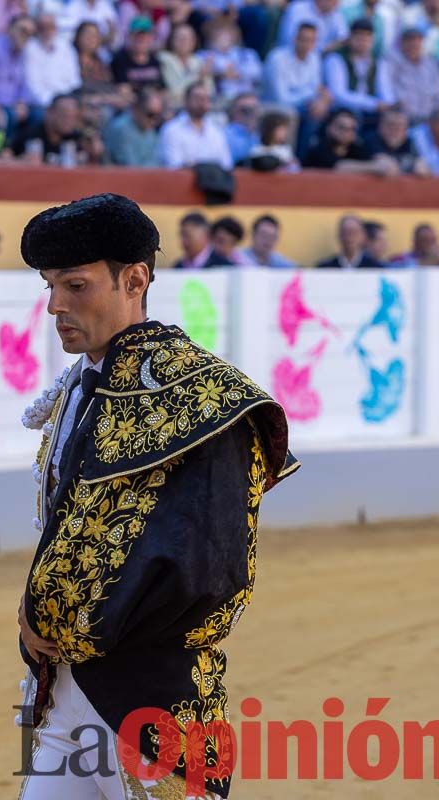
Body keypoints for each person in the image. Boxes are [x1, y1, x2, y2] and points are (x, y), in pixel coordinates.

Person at [15, 192, 297, 799]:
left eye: (76, 285)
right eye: (50, 287)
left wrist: (63, 620)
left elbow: (208, 570)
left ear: (135, 280)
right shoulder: (74, 390)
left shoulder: (208, 401)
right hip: (63, 693)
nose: (55, 305)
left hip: (156, 701)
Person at [324, 17, 394, 118]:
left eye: (367, 38)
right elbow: (338, 94)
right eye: (359, 37)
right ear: (350, 38)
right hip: (343, 110)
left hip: (372, 112)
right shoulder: (336, 58)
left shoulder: (378, 61)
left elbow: (385, 90)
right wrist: (373, 104)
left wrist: (388, 105)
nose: (363, 42)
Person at [158, 80, 234, 169]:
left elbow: (226, 165)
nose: (202, 102)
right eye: (197, 98)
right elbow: (173, 166)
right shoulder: (171, 129)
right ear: (186, 100)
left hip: (214, 182)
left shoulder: (216, 131)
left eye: (206, 98)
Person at [389, 26, 439, 124]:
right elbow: (388, 94)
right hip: (403, 120)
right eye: (409, 42)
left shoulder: (432, 64)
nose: (413, 45)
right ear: (402, 44)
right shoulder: (393, 63)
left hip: (430, 120)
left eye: (416, 41)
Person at [22, 12, 81, 106]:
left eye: (50, 27)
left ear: (56, 28)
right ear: (36, 30)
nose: (47, 31)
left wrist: (67, 100)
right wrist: (53, 103)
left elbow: (74, 80)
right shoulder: (29, 49)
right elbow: (33, 86)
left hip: (68, 98)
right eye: (42, 28)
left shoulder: (66, 47)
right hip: (43, 102)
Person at [198, 18, 262, 101]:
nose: (221, 37)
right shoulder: (202, 55)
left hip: (244, 98)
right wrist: (219, 75)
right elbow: (198, 73)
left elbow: (257, 74)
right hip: (216, 101)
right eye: (217, 33)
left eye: (226, 33)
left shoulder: (247, 54)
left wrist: (238, 73)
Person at [12, 92, 84, 165]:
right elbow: (6, 159)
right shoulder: (30, 135)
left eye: (73, 117)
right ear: (49, 112)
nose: (68, 121)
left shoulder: (76, 138)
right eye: (64, 115)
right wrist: (21, 162)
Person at [0, 15, 35, 109]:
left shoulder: (24, 52)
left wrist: (22, 102)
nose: (26, 36)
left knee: (38, 113)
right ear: (9, 28)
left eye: (30, 34)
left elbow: (25, 84)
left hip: (15, 105)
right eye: (23, 30)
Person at [102, 86, 163, 167]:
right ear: (136, 109)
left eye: (158, 116)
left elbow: (156, 163)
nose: (154, 120)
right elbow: (131, 167)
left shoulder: (150, 132)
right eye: (150, 115)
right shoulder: (121, 129)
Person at [159, 22, 212, 108]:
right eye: (180, 38)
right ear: (172, 40)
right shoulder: (164, 59)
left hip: (198, 108)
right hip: (173, 108)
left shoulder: (198, 61)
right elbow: (174, 91)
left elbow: (209, 91)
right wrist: (197, 76)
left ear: (194, 41)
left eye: (188, 38)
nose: (184, 42)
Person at [301, 108, 373, 169]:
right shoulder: (318, 149)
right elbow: (338, 167)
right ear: (329, 128)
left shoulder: (356, 148)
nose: (346, 133)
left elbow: (374, 160)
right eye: (341, 127)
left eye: (351, 129)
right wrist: (373, 167)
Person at [110, 16, 164, 93]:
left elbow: (163, 90)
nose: (141, 39)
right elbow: (123, 92)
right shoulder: (119, 61)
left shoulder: (156, 61)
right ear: (129, 36)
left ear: (151, 38)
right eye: (137, 36)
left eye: (145, 36)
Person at [364, 107, 426, 174]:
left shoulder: (409, 142)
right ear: (380, 126)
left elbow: (423, 168)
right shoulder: (370, 140)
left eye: (400, 126)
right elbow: (386, 165)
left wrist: (419, 165)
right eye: (391, 125)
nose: (395, 130)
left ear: (406, 129)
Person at [277, 0, 349, 53]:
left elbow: (343, 39)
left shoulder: (335, 14)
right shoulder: (297, 9)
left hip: (321, 57)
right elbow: (290, 41)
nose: (338, 3)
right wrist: (323, 49)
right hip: (291, 56)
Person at [316, 214, 382, 269]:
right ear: (339, 235)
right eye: (346, 232)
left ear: (363, 236)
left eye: (354, 233)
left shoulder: (374, 268)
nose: (350, 238)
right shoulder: (326, 268)